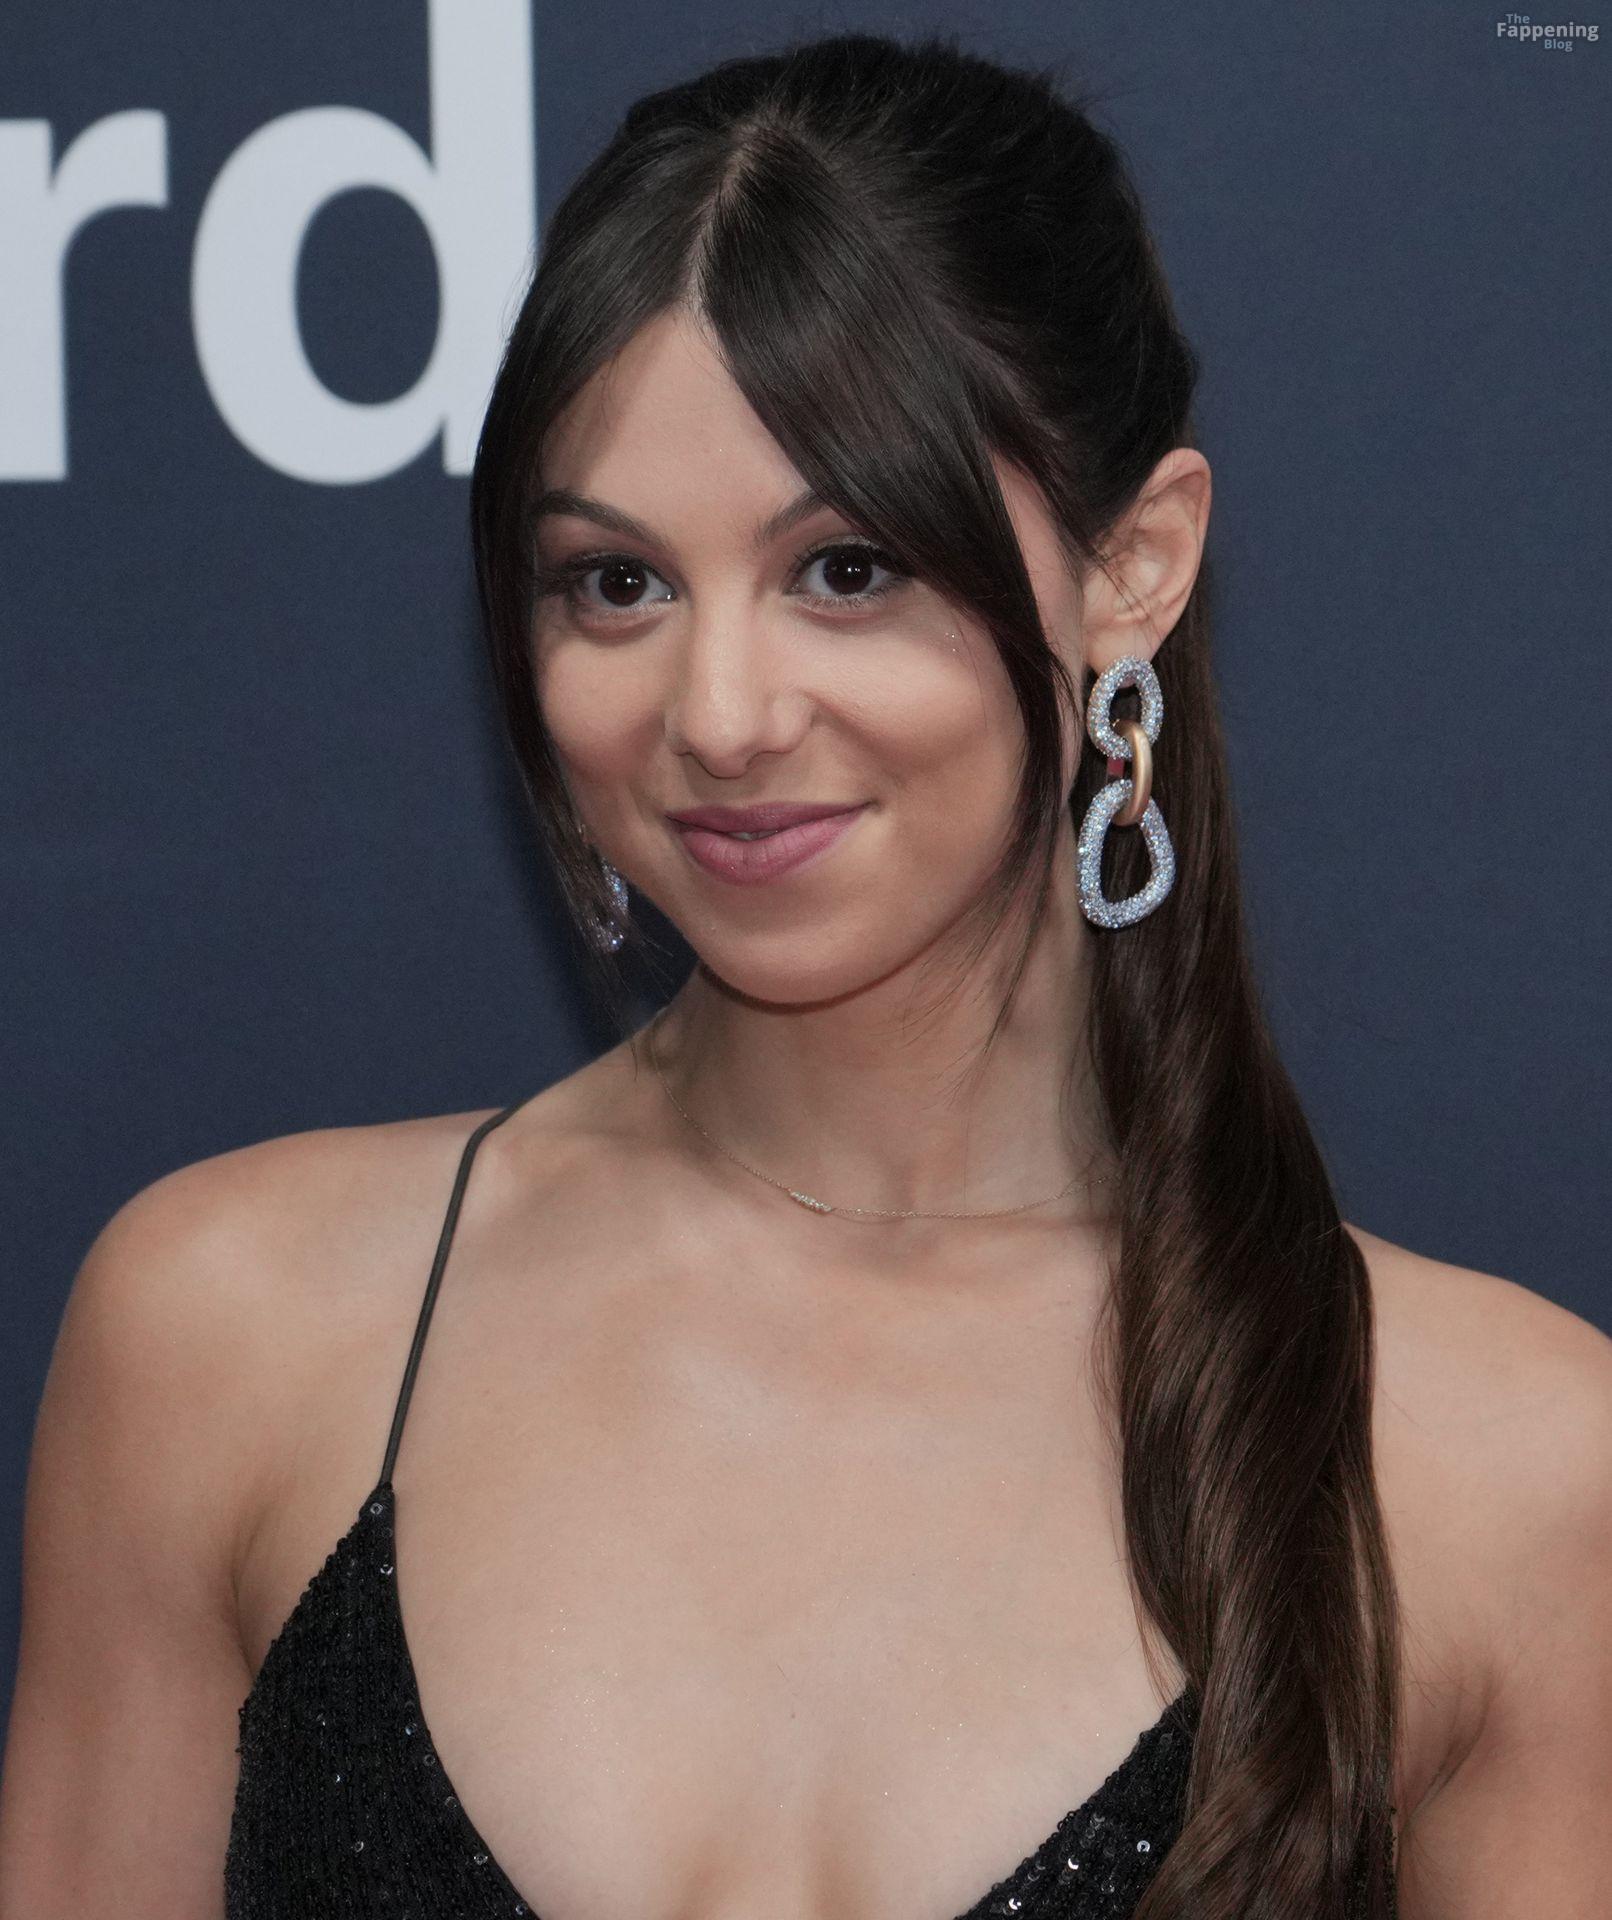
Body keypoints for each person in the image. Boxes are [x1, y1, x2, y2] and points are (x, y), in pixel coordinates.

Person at [3, 28, 1609, 1920]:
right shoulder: (234, 1335)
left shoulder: (1499, 1473)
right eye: (617, 582)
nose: (720, 714)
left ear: (1135, 564)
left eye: (846, 568)